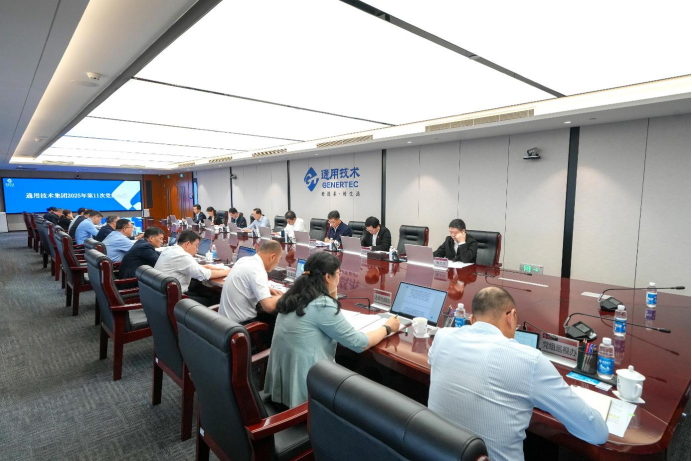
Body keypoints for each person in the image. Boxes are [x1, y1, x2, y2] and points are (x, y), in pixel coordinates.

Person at [427, 287, 609, 461]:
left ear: (473, 319)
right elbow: (597, 433)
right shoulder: (529, 361)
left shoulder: (442, 337)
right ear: (512, 316)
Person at [265, 252, 400, 408]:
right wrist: (388, 327)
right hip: (306, 397)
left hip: (284, 388)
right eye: (338, 273)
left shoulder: (294, 295)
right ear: (328, 277)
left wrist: (332, 296)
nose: (340, 277)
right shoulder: (322, 304)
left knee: (347, 362)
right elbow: (359, 343)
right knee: (372, 373)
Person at [154, 230, 229, 306]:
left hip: (163, 296)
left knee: (207, 292)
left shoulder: (170, 249)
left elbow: (185, 267)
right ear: (187, 244)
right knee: (216, 299)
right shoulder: (182, 256)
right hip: (174, 301)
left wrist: (207, 266)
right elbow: (206, 275)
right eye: (196, 245)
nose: (197, 249)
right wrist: (229, 271)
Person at [219, 240, 283, 328]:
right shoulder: (258, 270)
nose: (278, 263)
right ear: (272, 257)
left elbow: (247, 281)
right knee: (276, 323)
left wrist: (266, 288)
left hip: (222, 323)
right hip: (238, 328)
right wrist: (283, 296)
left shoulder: (244, 260)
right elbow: (269, 307)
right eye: (279, 259)